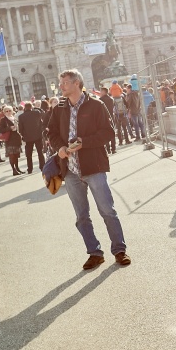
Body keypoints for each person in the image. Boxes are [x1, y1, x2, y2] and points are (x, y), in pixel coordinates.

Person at [47, 69, 131, 271]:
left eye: (64, 82)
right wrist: (59, 148)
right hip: (71, 171)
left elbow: (109, 133)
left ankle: (119, 250)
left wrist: (85, 142)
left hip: (94, 166)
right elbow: (51, 133)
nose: (61, 86)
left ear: (76, 83)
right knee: (81, 216)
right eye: (61, 83)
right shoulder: (59, 108)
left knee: (107, 211)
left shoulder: (96, 105)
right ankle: (94, 253)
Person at [19, 101, 45, 174]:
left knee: (29, 154)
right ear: (31, 107)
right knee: (40, 152)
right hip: (38, 136)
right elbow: (42, 117)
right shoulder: (36, 113)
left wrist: (23, 135)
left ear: (24, 108)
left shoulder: (21, 116)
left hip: (28, 137)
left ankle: (30, 168)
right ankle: (42, 166)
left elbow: (20, 128)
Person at [0, 106, 24, 176]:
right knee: (12, 155)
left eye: (10, 110)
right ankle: (14, 170)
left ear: (12, 111)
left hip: (16, 138)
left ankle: (17, 168)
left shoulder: (14, 118)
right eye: (6, 111)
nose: (8, 112)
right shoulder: (3, 120)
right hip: (9, 139)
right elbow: (1, 130)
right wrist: (9, 128)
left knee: (16, 155)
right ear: (4, 112)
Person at [98, 87, 117, 154]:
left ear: (103, 92)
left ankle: (108, 149)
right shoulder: (111, 99)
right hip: (111, 118)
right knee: (112, 133)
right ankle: (113, 149)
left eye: (101, 91)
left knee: (105, 134)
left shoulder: (100, 100)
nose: (100, 92)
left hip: (103, 119)